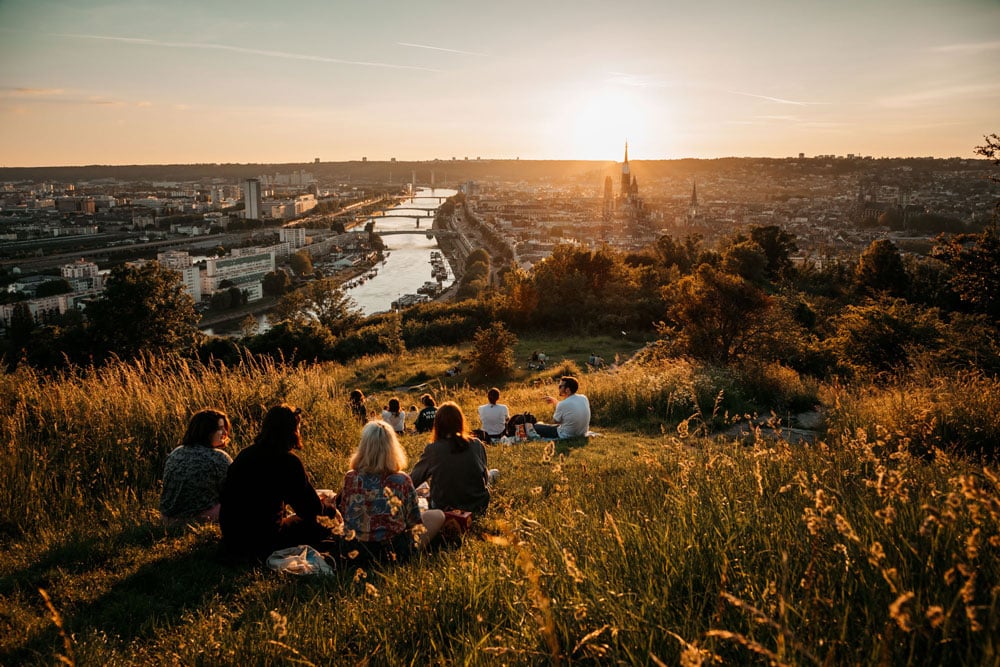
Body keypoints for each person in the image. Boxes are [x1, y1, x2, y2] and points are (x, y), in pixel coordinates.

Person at [220, 405, 339, 561]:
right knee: (311, 525)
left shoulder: (245, 454)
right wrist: (330, 509)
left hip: (232, 537)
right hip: (263, 540)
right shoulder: (288, 461)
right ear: (293, 431)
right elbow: (308, 509)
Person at [337, 421, 445, 563]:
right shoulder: (401, 480)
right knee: (437, 515)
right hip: (392, 552)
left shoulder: (350, 477)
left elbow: (345, 514)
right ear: (392, 448)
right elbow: (415, 523)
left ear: (363, 447)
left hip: (355, 551)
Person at [410, 402, 495, 516]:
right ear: (460, 421)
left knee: (423, 489)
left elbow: (413, 481)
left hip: (446, 509)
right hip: (478, 506)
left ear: (438, 424)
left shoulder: (433, 449)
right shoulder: (477, 444)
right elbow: (484, 476)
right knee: (494, 473)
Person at [160, 409, 233, 525]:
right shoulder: (218, 457)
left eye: (225, 427)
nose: (225, 432)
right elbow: (233, 490)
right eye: (220, 428)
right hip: (198, 518)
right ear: (206, 431)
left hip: (167, 518)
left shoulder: (176, 452)